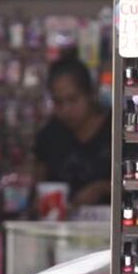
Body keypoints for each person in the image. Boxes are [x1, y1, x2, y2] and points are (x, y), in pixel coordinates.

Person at [33, 53, 112, 209]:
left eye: (73, 100)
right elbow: (38, 187)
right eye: (58, 102)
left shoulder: (116, 132)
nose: (65, 110)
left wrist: (102, 188)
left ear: (90, 94)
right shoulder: (49, 136)